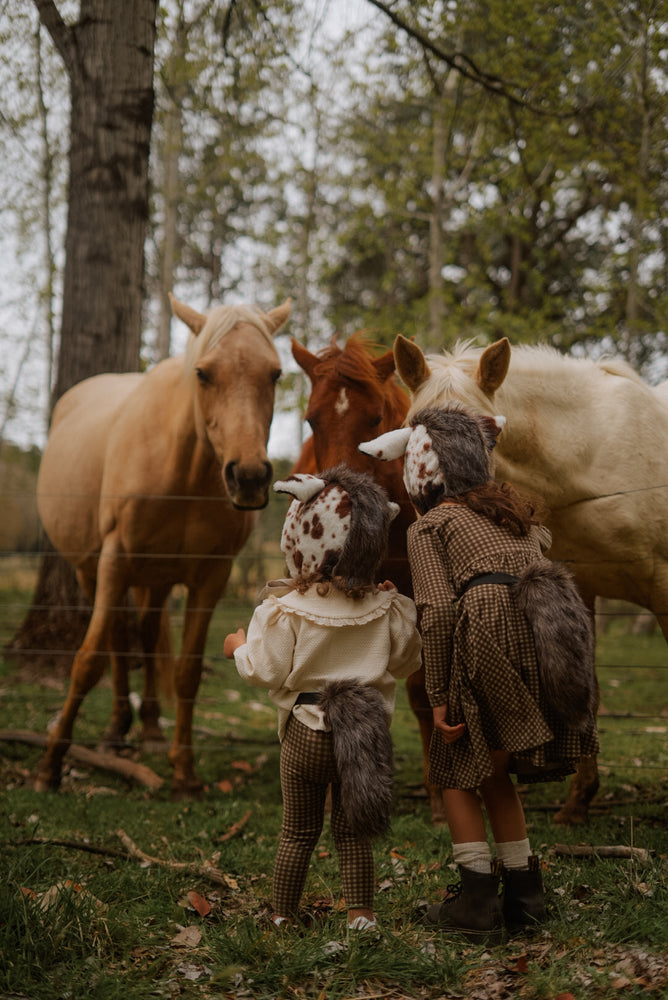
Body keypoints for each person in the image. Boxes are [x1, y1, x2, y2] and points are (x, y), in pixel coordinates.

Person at [361, 405, 599, 943]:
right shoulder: (516, 516)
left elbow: (440, 611)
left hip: (484, 635)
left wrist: (440, 692)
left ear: (419, 471)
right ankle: (525, 895)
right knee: (494, 773)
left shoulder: (432, 526)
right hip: (539, 635)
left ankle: (475, 903)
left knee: (454, 773)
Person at [223, 464, 423, 933]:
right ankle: (361, 916)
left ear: (300, 535)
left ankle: (280, 915)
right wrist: (402, 608)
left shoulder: (285, 610)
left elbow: (265, 668)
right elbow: (406, 661)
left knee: (297, 831)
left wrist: (238, 648)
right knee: (353, 833)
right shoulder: (384, 608)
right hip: (365, 738)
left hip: (306, 736)